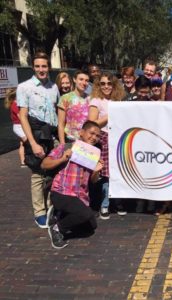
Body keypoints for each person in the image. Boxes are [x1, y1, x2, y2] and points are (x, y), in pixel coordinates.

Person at [41, 121, 103, 249]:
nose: (94, 137)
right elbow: (44, 164)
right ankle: (57, 228)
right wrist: (62, 158)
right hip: (61, 191)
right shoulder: (66, 147)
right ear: (81, 132)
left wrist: (96, 171)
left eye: (97, 136)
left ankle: (59, 214)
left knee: (91, 227)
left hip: (80, 196)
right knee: (84, 214)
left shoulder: (95, 154)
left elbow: (93, 181)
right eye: (91, 133)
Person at [17, 51, 59, 228]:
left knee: (52, 172)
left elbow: (56, 111)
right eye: (38, 66)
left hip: (52, 134)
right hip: (36, 134)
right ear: (33, 67)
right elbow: (23, 116)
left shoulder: (53, 87)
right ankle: (39, 212)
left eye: (44, 66)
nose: (41, 69)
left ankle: (50, 207)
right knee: (37, 174)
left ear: (48, 67)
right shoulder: (24, 87)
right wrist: (32, 143)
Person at [88, 72, 125, 219]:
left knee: (119, 172)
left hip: (118, 138)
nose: (106, 86)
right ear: (98, 85)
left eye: (109, 83)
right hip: (103, 138)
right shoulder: (96, 101)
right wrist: (110, 115)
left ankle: (118, 203)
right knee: (105, 174)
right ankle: (105, 205)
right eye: (102, 83)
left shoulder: (118, 100)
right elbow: (91, 123)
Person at [57, 70, 90, 144]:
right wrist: (62, 144)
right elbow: (60, 124)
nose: (84, 83)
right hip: (70, 140)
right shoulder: (65, 98)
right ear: (74, 80)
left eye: (86, 80)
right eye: (81, 79)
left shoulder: (90, 99)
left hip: (86, 142)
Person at [4, 88, 27, 167]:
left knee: (22, 144)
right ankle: (29, 160)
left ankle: (23, 162)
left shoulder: (19, 104)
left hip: (21, 126)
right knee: (28, 142)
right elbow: (21, 117)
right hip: (19, 127)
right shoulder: (15, 104)